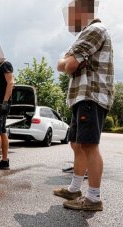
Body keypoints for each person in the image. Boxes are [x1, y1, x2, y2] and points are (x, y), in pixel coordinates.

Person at [54, 0, 114, 211]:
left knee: (89, 145)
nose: (69, 20)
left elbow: (68, 64)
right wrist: (68, 60)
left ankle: (94, 199)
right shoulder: (87, 33)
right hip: (82, 96)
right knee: (77, 144)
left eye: (72, 15)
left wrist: (67, 60)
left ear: (82, 12)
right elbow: (66, 62)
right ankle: (74, 189)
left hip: (90, 95)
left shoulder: (94, 30)